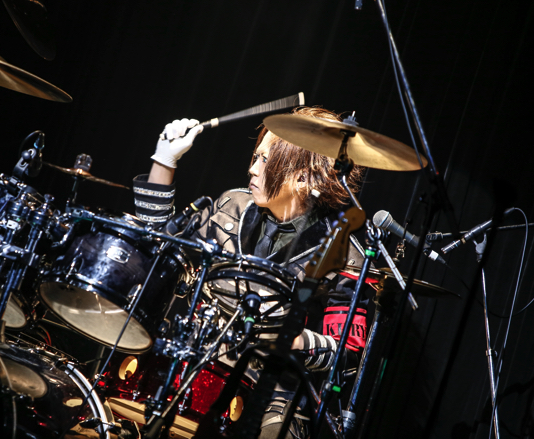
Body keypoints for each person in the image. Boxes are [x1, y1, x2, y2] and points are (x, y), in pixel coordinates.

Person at [133, 106, 367, 439]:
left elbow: (348, 353)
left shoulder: (344, 254)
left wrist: (293, 340)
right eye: (256, 157)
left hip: (273, 398)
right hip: (199, 365)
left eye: (264, 161)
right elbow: (159, 249)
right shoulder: (233, 207)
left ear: (303, 178)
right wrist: (164, 162)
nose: (252, 169)